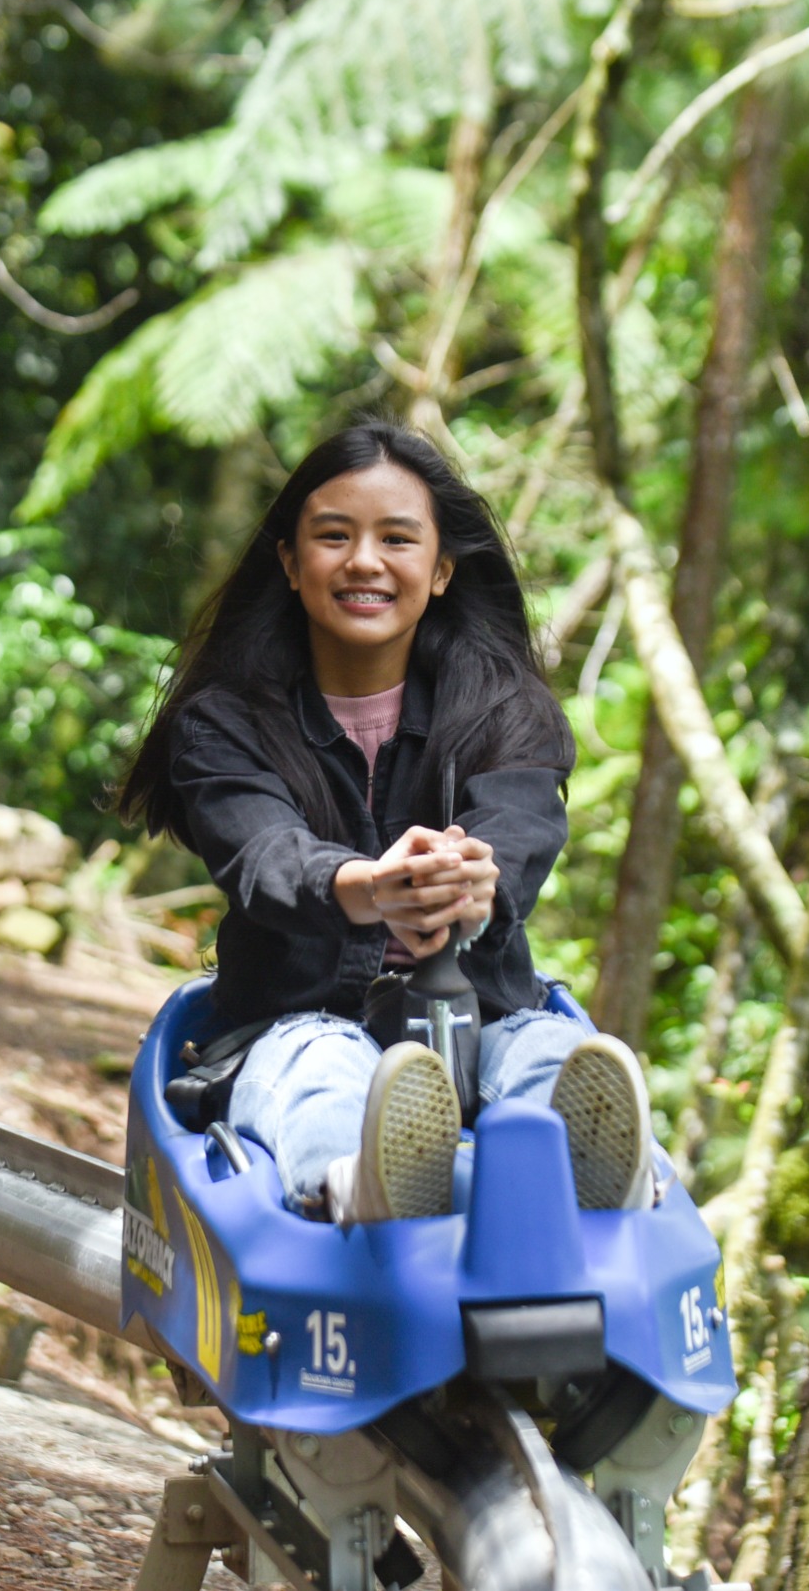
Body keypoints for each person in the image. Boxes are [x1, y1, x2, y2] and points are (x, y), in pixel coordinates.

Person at [119, 419, 661, 1225]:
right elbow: (263, 855)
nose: (365, 562)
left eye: (397, 539)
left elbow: (517, 833)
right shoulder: (225, 721)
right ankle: (366, 1179)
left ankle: (602, 1177)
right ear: (291, 563)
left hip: (482, 1020)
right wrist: (372, 887)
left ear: (441, 570)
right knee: (326, 1069)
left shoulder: (507, 710)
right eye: (334, 536)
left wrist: (468, 882)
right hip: (292, 1026)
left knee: (546, 1054)